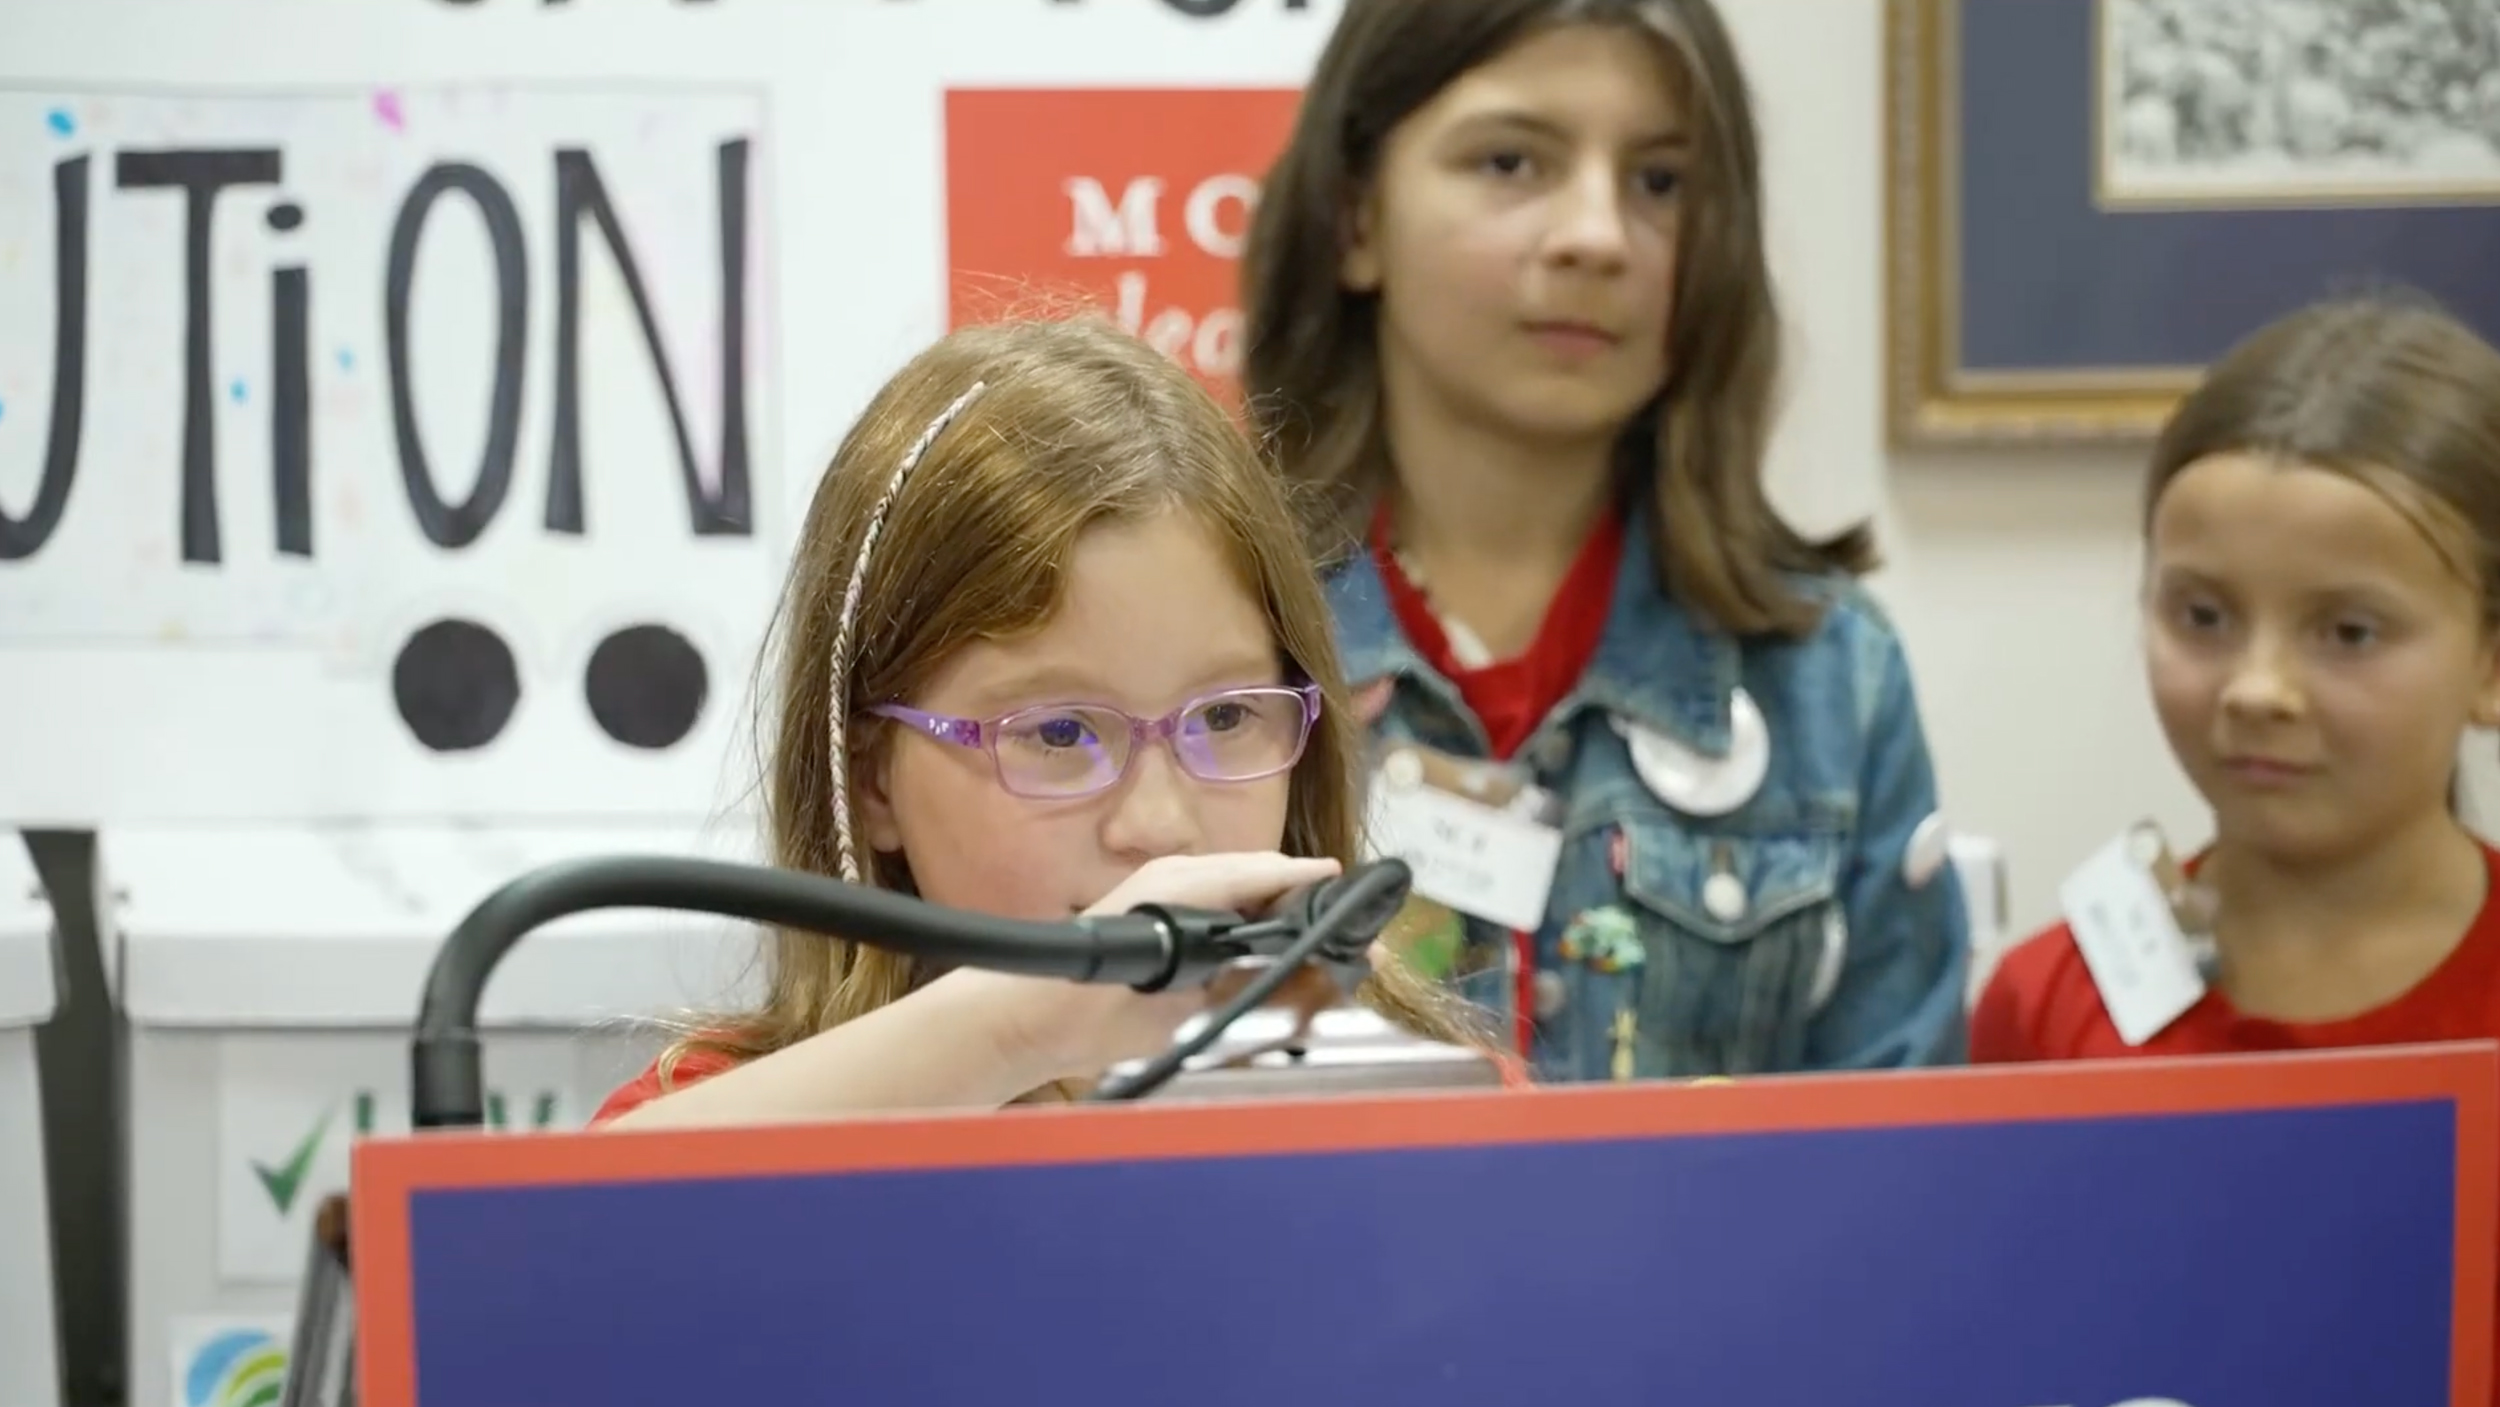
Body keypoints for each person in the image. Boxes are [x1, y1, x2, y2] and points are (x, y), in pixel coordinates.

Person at [1238, 0, 1969, 1081]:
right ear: (1355, 219)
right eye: (1510, 162)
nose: (1597, 235)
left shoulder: (1829, 676)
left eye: (1659, 183)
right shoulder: (1224, 649)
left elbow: (1903, 1176)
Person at [596, 317, 1497, 1129]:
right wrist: (1024, 1026)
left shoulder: (1444, 1103)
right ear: (872, 779)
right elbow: (572, 1257)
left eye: (1225, 715)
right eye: (1060, 733)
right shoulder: (720, 1109)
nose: (1161, 825)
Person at [1973, 295, 2500, 1065]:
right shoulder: (2047, 1007)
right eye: (2205, 617)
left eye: (2349, 632)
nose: (2256, 689)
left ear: (2490, 660)